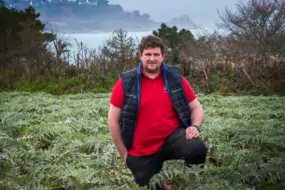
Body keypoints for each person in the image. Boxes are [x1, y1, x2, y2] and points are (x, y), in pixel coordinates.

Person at [108, 35, 207, 188]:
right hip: (140, 150)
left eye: (156, 54)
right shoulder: (126, 82)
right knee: (148, 185)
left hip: (172, 138)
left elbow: (196, 107)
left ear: (163, 56)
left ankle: (189, 181)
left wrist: (195, 126)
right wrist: (124, 155)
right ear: (141, 55)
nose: (152, 58)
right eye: (148, 54)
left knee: (197, 148)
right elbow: (112, 121)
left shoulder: (175, 78)